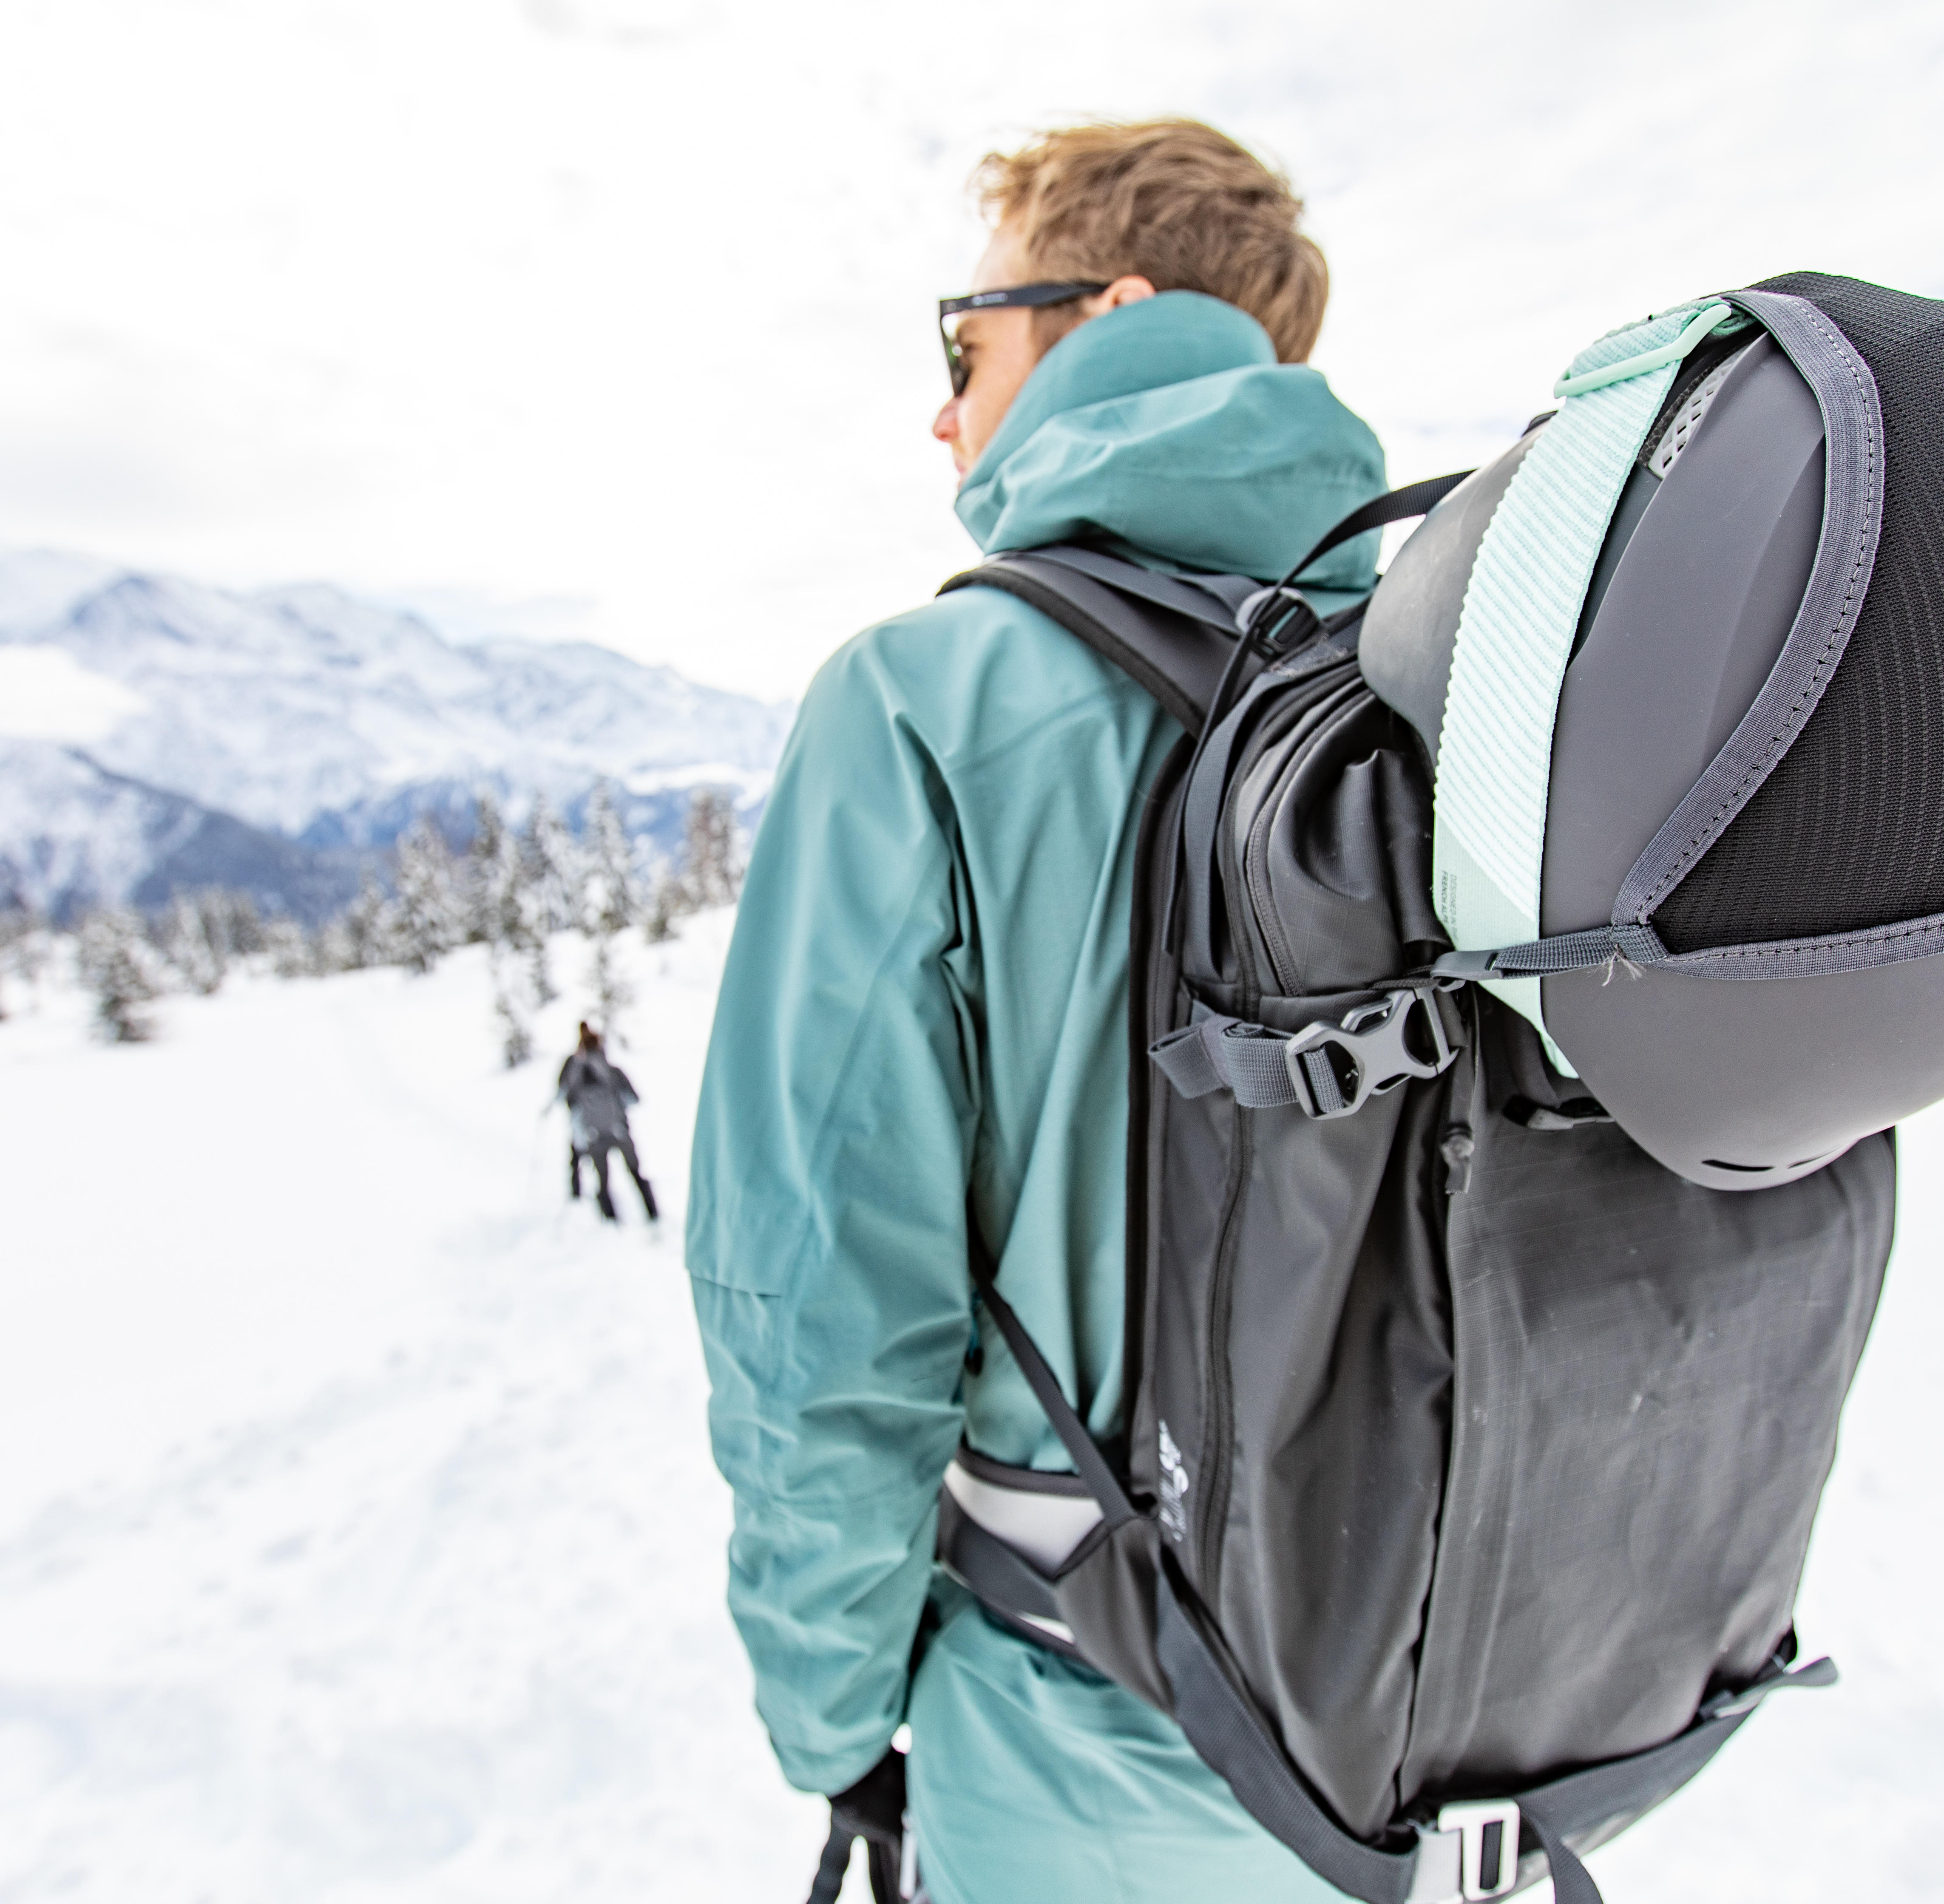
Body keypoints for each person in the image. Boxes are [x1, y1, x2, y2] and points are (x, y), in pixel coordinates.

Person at [687, 121, 1381, 1903]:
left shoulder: (929, 697)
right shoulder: (1449, 672)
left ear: (1112, 310)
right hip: (1446, 1738)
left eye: (964, 343)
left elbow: (822, 1309)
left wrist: (833, 1723)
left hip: (1094, 1751)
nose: (940, 409)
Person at [556, 1022, 656, 1222]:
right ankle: (653, 1215)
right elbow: (634, 1098)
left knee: (603, 1181)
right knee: (636, 1174)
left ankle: (611, 1222)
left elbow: (565, 1099)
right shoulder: (613, 1072)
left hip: (593, 1136)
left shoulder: (575, 1074)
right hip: (619, 1132)